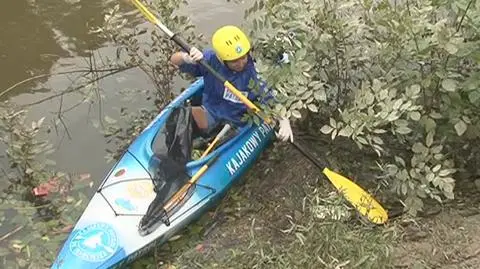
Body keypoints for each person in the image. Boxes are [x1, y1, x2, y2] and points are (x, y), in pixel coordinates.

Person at [170, 25, 293, 142]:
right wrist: (186, 57)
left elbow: (272, 100)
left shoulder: (256, 73)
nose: (240, 63)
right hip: (211, 111)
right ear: (221, 59)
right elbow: (174, 60)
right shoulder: (210, 60)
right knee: (181, 118)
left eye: (243, 57)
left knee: (219, 142)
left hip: (237, 122)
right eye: (234, 61)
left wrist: (283, 120)